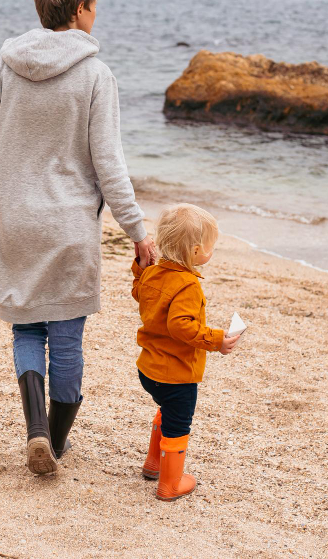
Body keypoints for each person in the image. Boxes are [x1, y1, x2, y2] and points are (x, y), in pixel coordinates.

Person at [0, 0, 156, 475]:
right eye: (94, 6)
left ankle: (36, 428)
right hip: (68, 226)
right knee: (65, 339)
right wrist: (137, 231)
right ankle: (55, 442)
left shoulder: (5, 68)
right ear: (80, 9)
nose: (96, 14)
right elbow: (109, 164)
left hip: (15, 220)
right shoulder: (96, 75)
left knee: (26, 330)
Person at [131, 203, 242, 501]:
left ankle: (154, 464)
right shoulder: (188, 285)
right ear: (195, 251)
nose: (211, 251)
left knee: (166, 410)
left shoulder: (152, 274)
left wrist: (140, 268)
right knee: (179, 424)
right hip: (176, 375)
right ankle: (169, 485)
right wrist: (217, 340)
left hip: (148, 369)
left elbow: (139, 291)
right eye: (210, 246)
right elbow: (181, 325)